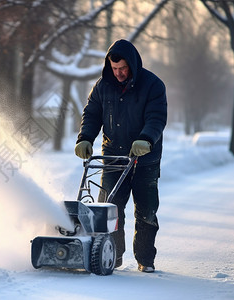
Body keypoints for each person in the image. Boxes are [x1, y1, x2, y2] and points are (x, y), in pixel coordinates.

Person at [74, 39, 167, 273]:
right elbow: (92, 113)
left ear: (132, 65)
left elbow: (156, 118)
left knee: (146, 210)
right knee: (109, 207)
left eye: (123, 68)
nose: (119, 73)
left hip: (145, 157)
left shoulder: (153, 85)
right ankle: (111, 256)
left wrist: (146, 138)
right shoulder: (102, 86)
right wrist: (85, 138)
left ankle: (145, 260)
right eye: (114, 69)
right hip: (113, 156)